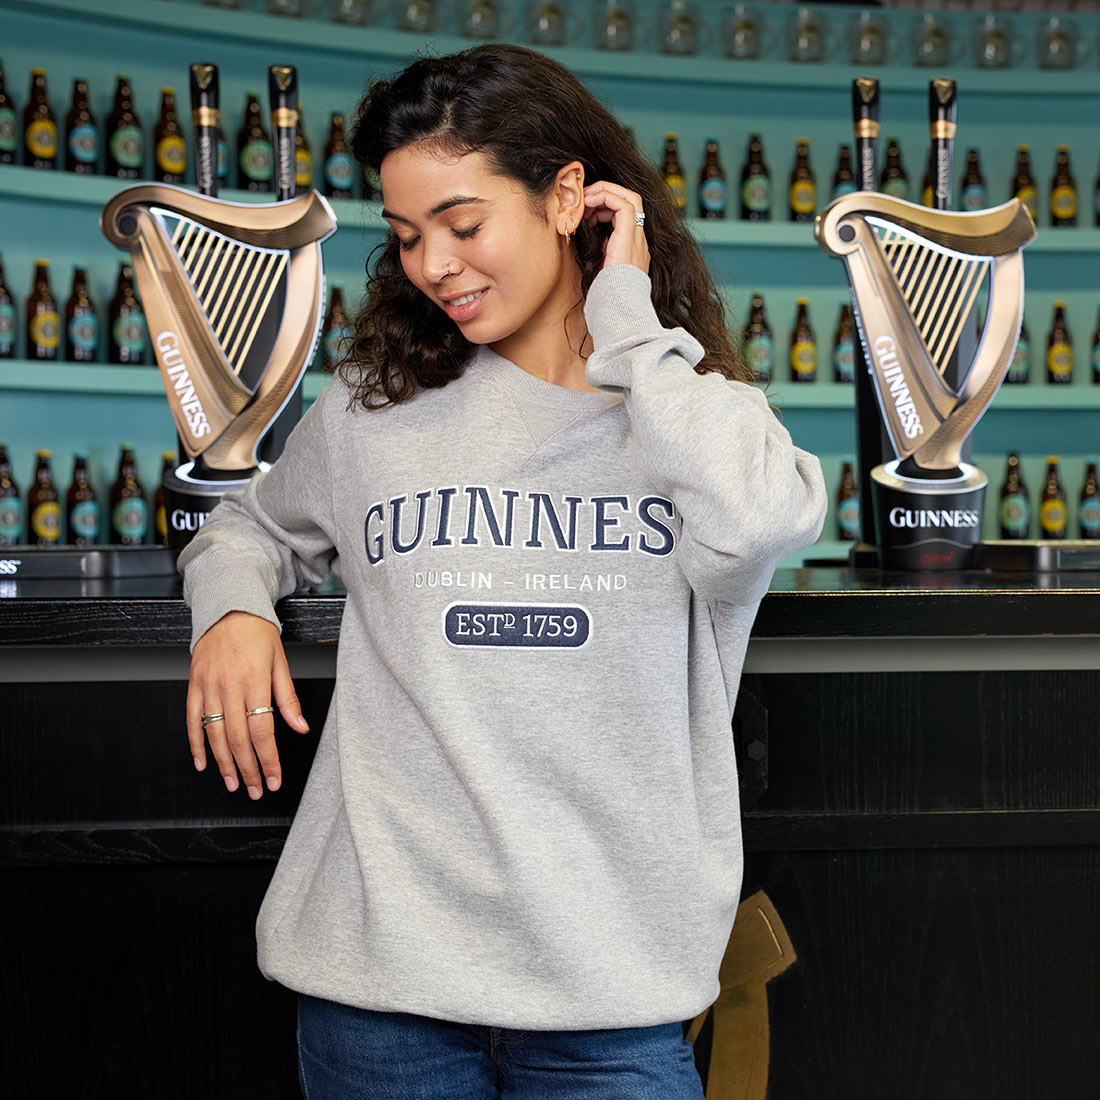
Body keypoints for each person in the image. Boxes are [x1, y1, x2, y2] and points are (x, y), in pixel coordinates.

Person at [180, 43, 826, 1100]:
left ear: (570, 197)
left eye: (463, 224)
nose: (433, 263)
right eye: (406, 235)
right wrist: (231, 613)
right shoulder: (371, 409)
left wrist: (624, 315)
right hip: (377, 990)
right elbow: (242, 529)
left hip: (610, 1004)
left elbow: (757, 521)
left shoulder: (690, 415)